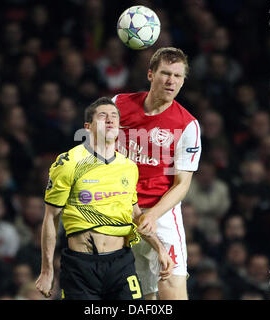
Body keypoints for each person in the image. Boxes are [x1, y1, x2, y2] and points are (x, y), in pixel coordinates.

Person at [35, 97, 174, 300]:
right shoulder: (68, 163)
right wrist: (47, 271)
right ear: (87, 126)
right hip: (81, 266)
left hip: (122, 263)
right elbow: (51, 218)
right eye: (102, 116)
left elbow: (135, 214)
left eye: (114, 116)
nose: (110, 120)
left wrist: (160, 249)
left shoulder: (128, 167)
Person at [112, 47, 202, 299]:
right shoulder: (118, 105)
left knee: (173, 287)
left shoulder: (188, 125)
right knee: (140, 296)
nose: (171, 81)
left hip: (160, 214)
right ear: (151, 74)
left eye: (178, 76)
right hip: (117, 209)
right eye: (165, 73)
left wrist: (152, 215)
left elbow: (182, 184)